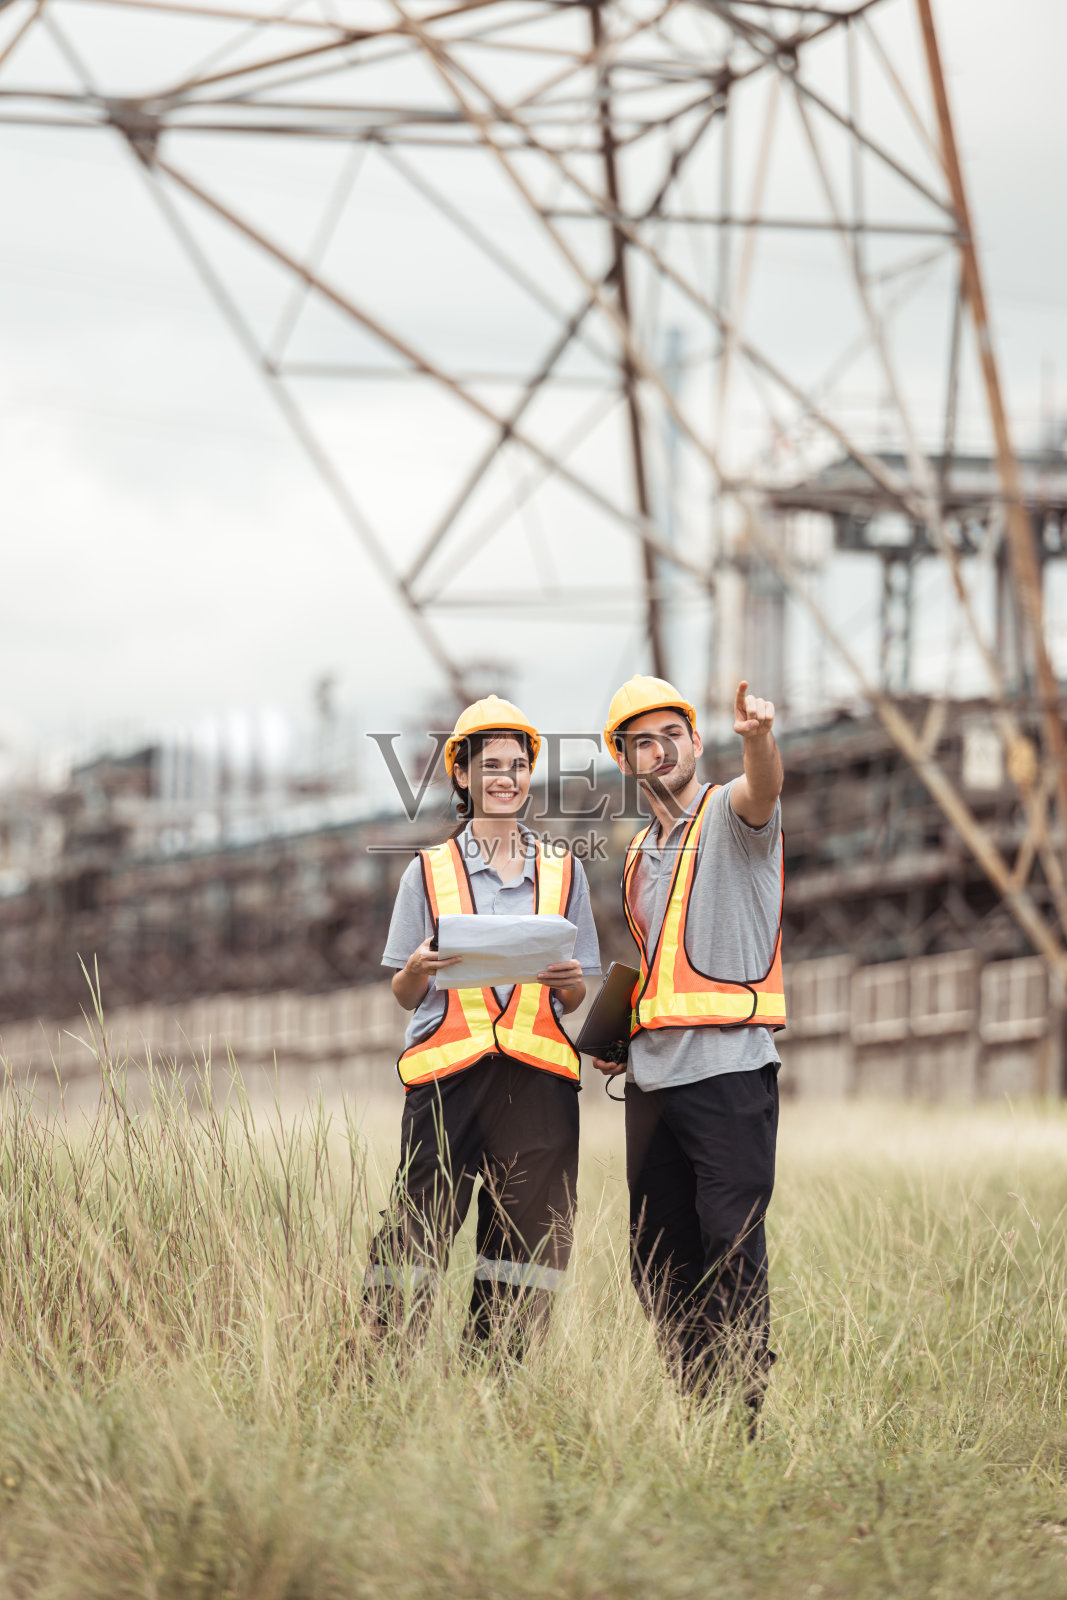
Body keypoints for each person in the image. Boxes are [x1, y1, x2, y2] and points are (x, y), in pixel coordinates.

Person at [366, 694, 601, 1354]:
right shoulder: (427, 873)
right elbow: (405, 992)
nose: (506, 776)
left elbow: (575, 992)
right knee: (418, 1231)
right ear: (462, 775)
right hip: (448, 1080)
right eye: (490, 764)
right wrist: (417, 967)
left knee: (525, 1246)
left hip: (537, 1082)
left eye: (518, 764)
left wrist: (572, 985)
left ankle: (496, 1385)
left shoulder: (564, 870)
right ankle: (384, 1366)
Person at [593, 674, 785, 1420]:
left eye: (671, 733)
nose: (659, 748)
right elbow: (664, 961)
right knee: (655, 1260)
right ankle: (696, 1402)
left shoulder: (733, 814)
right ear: (625, 761)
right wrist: (622, 1029)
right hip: (652, 1080)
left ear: (695, 742)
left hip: (729, 1072)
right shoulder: (639, 853)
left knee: (730, 1247)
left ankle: (739, 1417)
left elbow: (761, 788)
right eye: (641, 741)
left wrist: (758, 740)